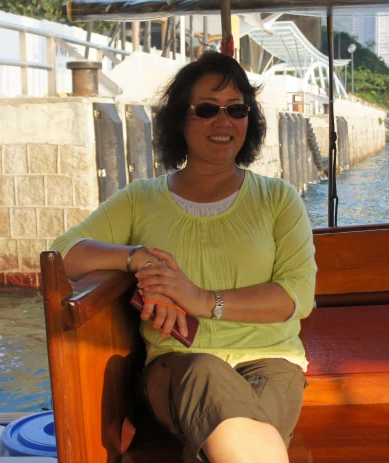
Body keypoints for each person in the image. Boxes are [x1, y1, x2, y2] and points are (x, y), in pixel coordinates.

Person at [50, 51, 316, 463]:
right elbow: (63, 253)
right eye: (207, 109)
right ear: (180, 120)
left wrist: (203, 300)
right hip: (176, 367)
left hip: (270, 363)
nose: (223, 121)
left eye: (237, 109)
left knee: (234, 444)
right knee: (210, 377)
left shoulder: (277, 199)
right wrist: (137, 258)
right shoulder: (141, 200)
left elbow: (296, 295)